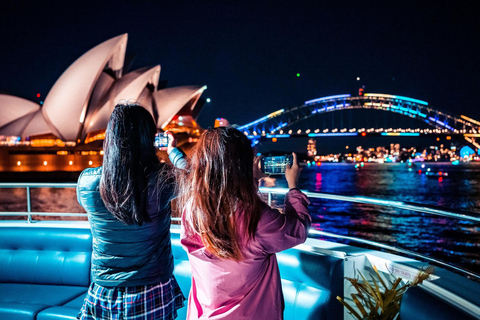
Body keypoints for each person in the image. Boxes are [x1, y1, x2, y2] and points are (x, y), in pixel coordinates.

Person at [176, 127, 311, 319]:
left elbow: (228, 204)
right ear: (242, 165)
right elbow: (298, 230)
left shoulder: (191, 210)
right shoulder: (257, 218)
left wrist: (250, 180)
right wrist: (293, 188)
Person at [76, 103, 185, 320]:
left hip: (103, 291)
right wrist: (173, 150)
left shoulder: (87, 182)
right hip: (152, 288)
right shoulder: (162, 181)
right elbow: (194, 178)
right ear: (149, 139)